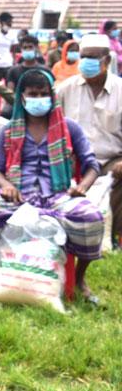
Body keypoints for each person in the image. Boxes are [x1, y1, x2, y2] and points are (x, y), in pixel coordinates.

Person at [0, 69, 104, 304]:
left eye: (44, 94)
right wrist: (6, 186)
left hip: (59, 193)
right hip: (19, 195)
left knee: (91, 218)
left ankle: (80, 279)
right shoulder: (9, 130)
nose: (38, 99)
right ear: (22, 97)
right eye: (33, 94)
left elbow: (92, 165)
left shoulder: (69, 127)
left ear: (52, 97)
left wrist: (82, 187)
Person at [58, 33, 122, 245]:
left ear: (107, 61)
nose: (86, 62)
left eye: (93, 58)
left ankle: (113, 237)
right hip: (74, 159)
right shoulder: (65, 89)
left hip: (111, 160)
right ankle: (67, 234)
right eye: (84, 57)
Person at [0, 12, 18, 83]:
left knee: (9, 86)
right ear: (2, 22)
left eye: (11, 22)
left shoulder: (13, 34)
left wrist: (14, 61)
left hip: (8, 65)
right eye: (8, 22)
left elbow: (14, 50)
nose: (10, 24)